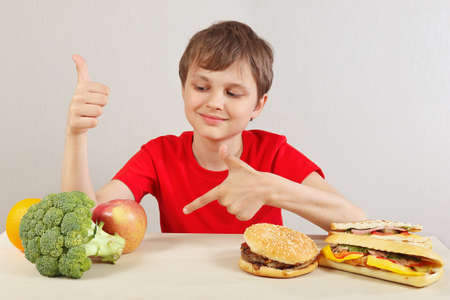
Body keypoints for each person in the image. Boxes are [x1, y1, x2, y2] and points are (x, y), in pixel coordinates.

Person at [62, 21, 366, 234]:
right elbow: (85, 219)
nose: (215, 102)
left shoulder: (272, 152)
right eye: (201, 87)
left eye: (233, 93)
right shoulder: (159, 154)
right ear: (184, 89)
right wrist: (76, 135)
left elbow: (356, 222)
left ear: (258, 106)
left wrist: (271, 188)